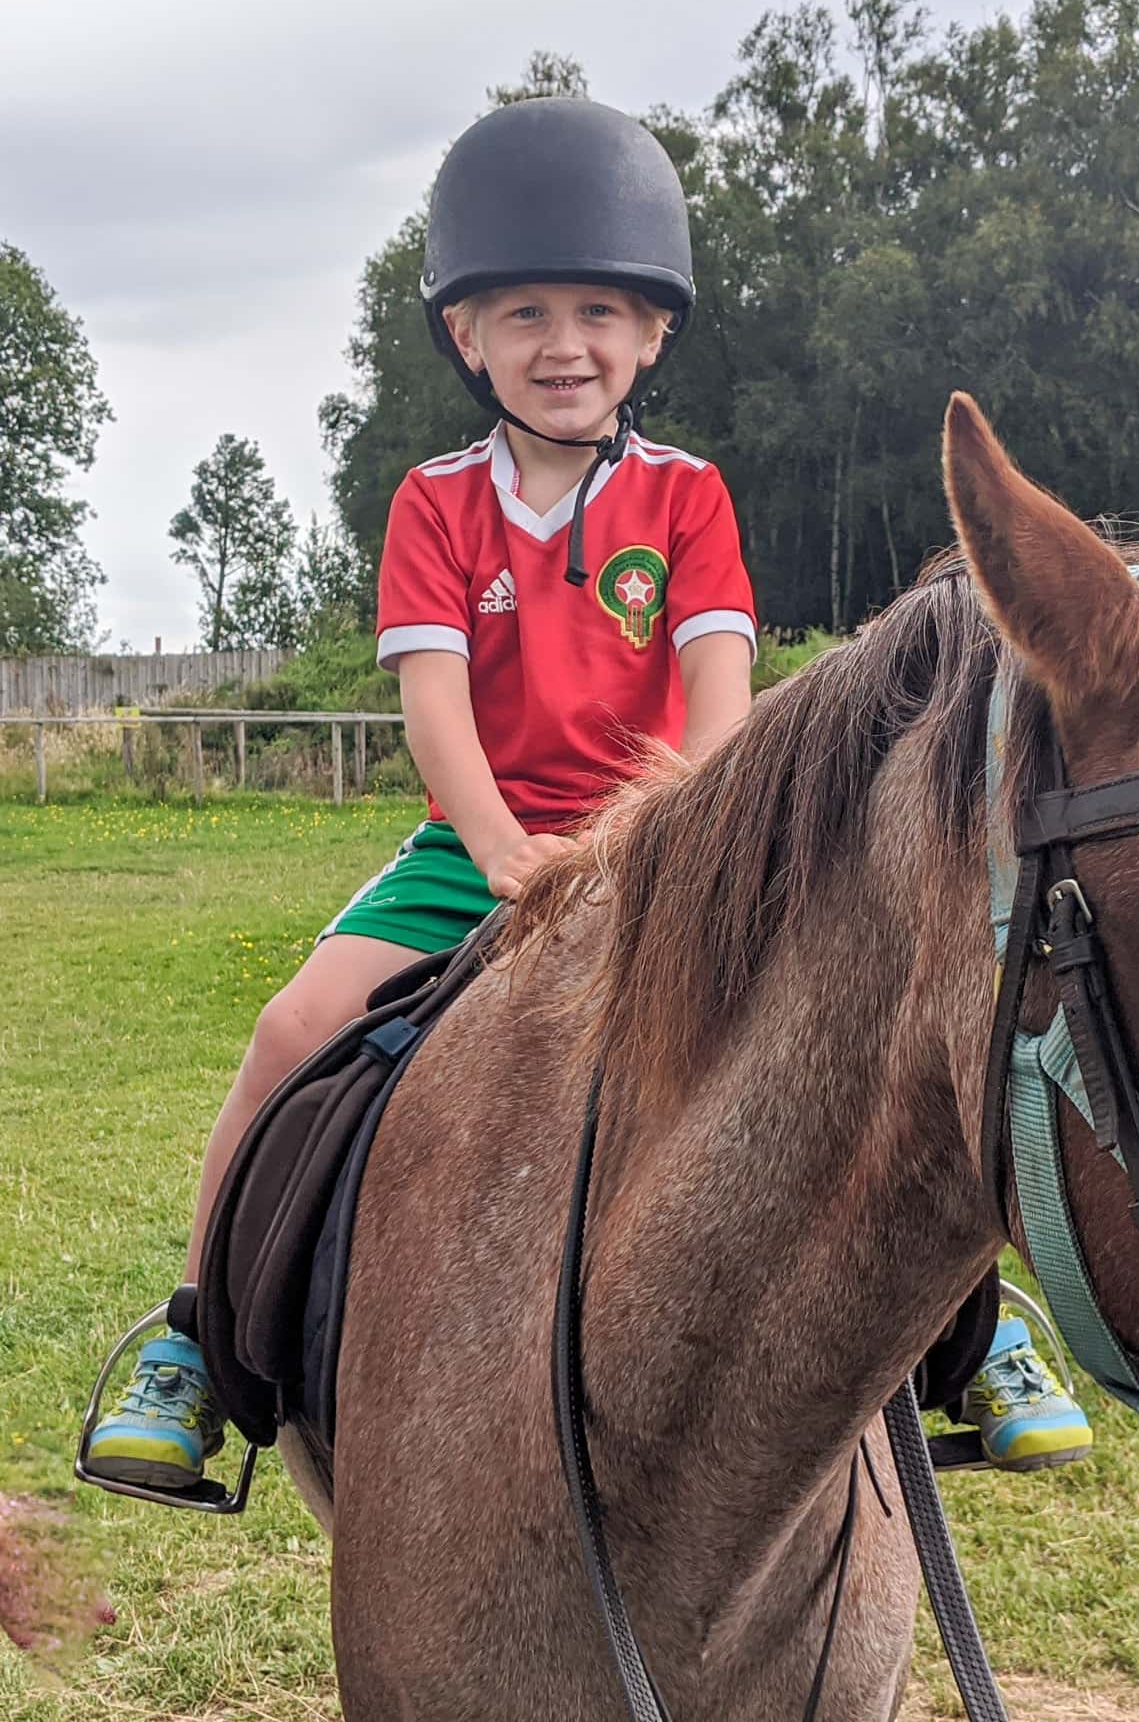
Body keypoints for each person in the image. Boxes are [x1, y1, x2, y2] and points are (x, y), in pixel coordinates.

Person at [87, 97, 1086, 1488]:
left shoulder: (688, 498)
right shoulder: (436, 504)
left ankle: (976, 1337)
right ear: (466, 336)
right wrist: (503, 854)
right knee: (292, 1027)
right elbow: (436, 706)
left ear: (654, 333)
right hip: (480, 847)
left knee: (887, 1019)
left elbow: (718, 694)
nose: (566, 346)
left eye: (601, 312)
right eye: (527, 314)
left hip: (674, 837)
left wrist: (672, 839)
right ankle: (197, 1342)